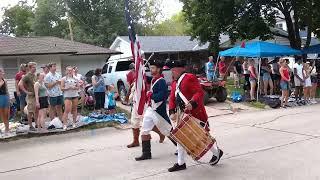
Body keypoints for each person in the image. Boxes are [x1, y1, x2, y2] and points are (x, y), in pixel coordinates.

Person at [165, 59, 223, 172]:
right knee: (181, 137)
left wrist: (192, 103)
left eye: (173, 69)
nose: (171, 72)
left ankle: (217, 152)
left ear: (179, 69)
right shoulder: (174, 82)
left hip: (194, 113)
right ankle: (181, 163)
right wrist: (171, 110)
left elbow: (199, 93)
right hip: (181, 115)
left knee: (201, 137)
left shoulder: (189, 78)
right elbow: (172, 97)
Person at [135, 59, 170, 161]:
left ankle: (180, 147)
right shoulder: (154, 79)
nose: (151, 69)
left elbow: (162, 96)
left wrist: (151, 95)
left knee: (169, 131)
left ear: (158, 69)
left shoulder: (162, 81)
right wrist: (140, 69)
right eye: (150, 67)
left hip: (159, 110)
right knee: (145, 130)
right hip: (151, 109)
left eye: (153, 68)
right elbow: (144, 77)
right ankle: (146, 154)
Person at [19, 62, 38, 131]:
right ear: (30, 68)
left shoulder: (35, 75)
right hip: (30, 96)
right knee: (30, 112)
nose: (35, 68)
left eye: (35, 67)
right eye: (33, 67)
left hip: (36, 96)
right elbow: (20, 84)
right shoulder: (27, 76)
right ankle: (30, 126)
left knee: (36, 111)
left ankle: (36, 124)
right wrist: (26, 92)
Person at [0, 68, 10, 136]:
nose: (3, 73)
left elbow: (6, 90)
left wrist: (9, 98)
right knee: (1, 114)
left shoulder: (4, 80)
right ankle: (3, 129)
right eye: (2, 72)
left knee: (6, 114)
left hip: (5, 97)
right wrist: (1, 83)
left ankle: (7, 129)